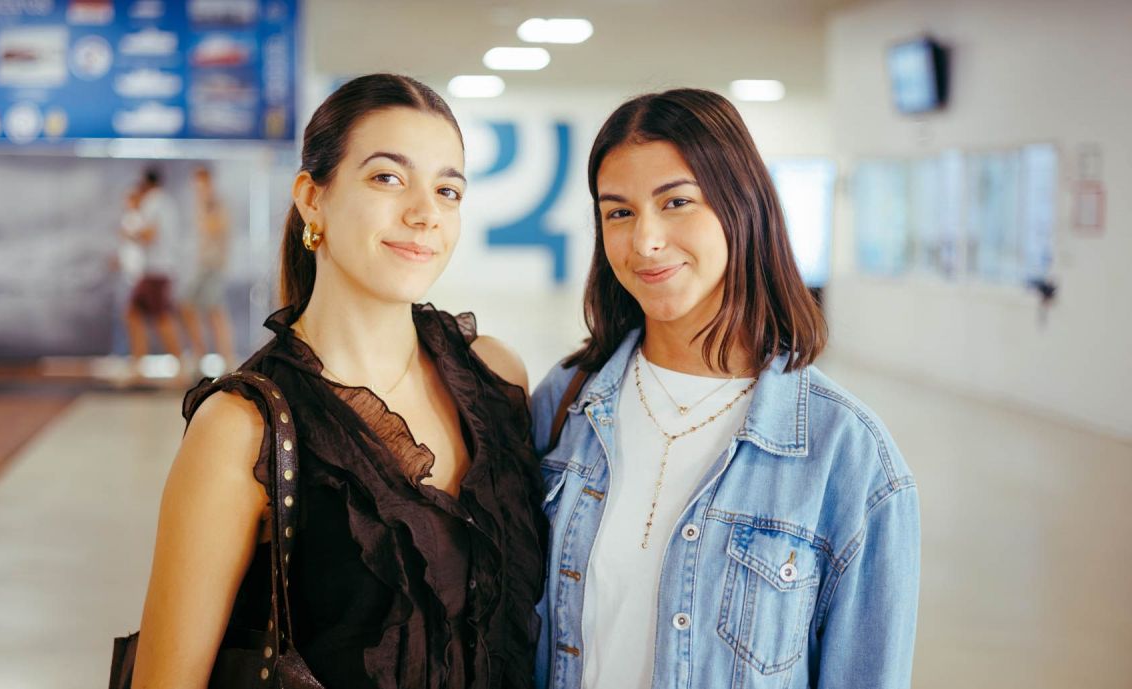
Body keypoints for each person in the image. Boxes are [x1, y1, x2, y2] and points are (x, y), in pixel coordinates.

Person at [132, 74, 547, 689]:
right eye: (388, 178)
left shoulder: (494, 377)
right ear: (312, 198)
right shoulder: (243, 429)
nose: (424, 213)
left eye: (449, 190)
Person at [531, 89, 920, 689]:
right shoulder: (566, 402)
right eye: (619, 212)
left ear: (742, 206)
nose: (645, 241)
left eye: (677, 202)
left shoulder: (848, 455)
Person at [123, 167, 186, 375]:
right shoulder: (167, 202)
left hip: (155, 270)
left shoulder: (153, 202)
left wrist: (129, 233)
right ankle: (138, 365)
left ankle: (179, 366)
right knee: (134, 314)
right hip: (159, 269)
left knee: (162, 318)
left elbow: (150, 234)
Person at [179, 164, 236, 373]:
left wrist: (202, 205)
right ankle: (200, 355)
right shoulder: (201, 205)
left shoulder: (214, 205)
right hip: (202, 267)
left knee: (215, 313)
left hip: (213, 267)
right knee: (192, 308)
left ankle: (225, 359)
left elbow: (214, 228)